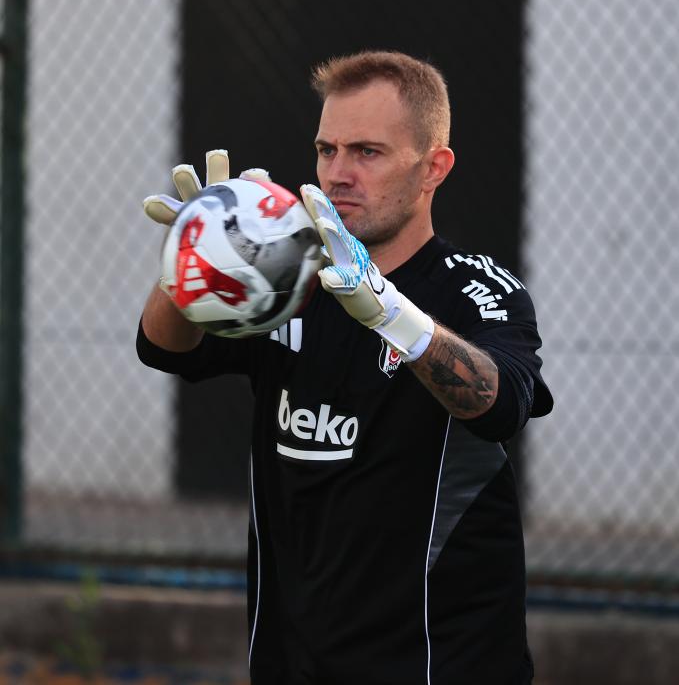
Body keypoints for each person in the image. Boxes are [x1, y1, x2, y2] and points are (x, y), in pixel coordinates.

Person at [137, 50, 553, 685]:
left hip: (439, 662)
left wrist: (391, 313)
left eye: (367, 152)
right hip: (292, 660)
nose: (338, 174)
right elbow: (163, 348)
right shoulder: (287, 279)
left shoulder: (475, 289)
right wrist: (192, 262)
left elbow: (501, 402)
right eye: (326, 150)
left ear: (433, 168)